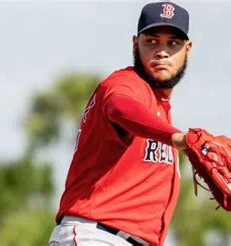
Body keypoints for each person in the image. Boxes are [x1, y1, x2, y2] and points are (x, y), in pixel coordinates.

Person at [49, 2, 192, 245]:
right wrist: (177, 138)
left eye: (173, 43)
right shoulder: (125, 83)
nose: (162, 51)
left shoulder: (161, 109)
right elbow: (120, 107)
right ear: (135, 43)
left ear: (188, 49)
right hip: (96, 236)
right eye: (152, 41)